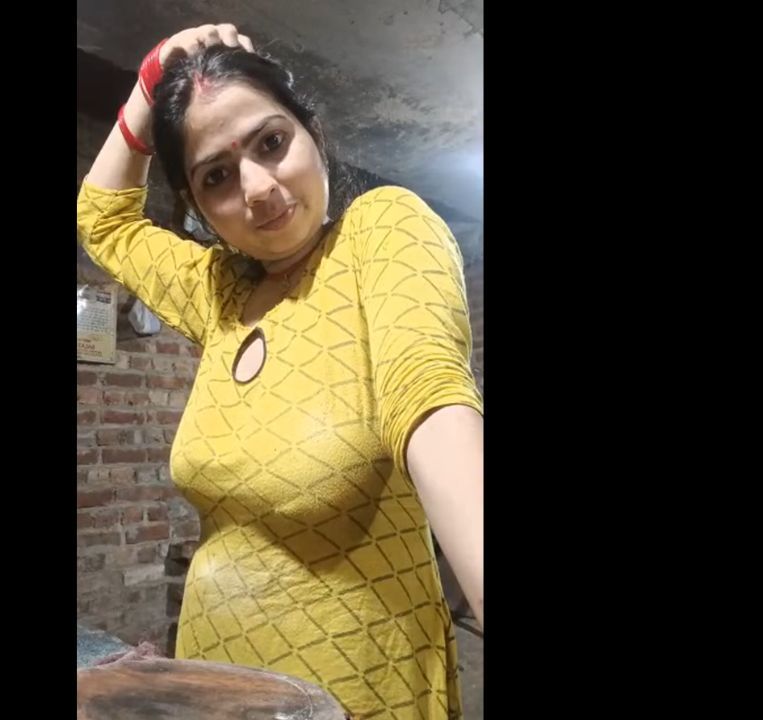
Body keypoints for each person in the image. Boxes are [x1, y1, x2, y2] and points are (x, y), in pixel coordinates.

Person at [77, 23, 484, 719]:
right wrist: (151, 79)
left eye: (271, 143)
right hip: (213, 685)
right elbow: (104, 219)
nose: (259, 189)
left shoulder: (380, 232)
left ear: (312, 133)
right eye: (217, 176)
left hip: (356, 692)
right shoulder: (220, 295)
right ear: (198, 209)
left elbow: (430, 394)